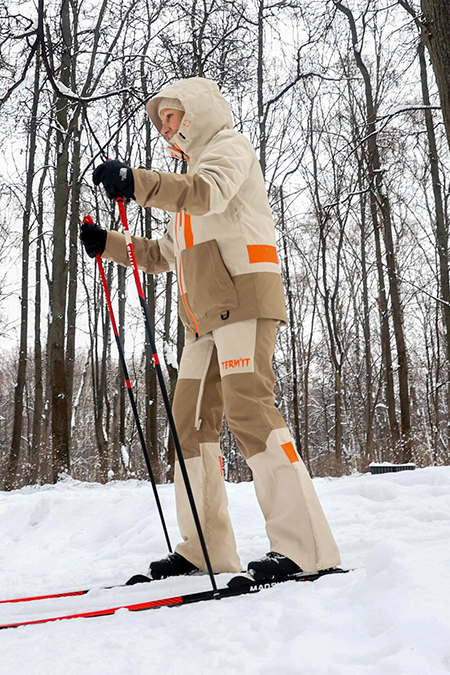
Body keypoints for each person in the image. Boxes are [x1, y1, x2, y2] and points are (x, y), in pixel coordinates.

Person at [80, 77, 340, 582]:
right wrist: (105, 243)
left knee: (250, 411)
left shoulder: (228, 149)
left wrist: (137, 182)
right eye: (160, 121)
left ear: (196, 111)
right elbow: (162, 254)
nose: (165, 127)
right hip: (202, 321)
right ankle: (204, 549)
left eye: (171, 116)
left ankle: (305, 548)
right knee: (189, 425)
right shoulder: (186, 182)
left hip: (243, 300)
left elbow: (207, 194)